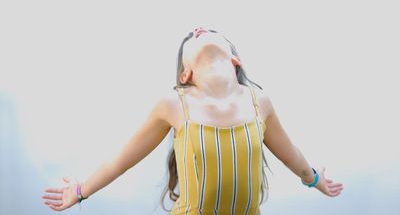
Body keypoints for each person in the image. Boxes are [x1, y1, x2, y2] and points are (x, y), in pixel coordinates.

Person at [42, 27, 344, 213]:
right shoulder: (174, 104)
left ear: (234, 60)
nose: (198, 29)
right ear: (185, 74)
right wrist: (80, 191)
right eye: (191, 37)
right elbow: (119, 161)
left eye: (209, 31)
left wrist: (315, 180)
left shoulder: (259, 101)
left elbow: (292, 155)